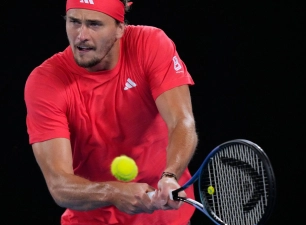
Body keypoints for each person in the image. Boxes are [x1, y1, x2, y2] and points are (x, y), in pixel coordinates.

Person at [24, 0, 198, 224]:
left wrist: (170, 175)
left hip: (166, 218)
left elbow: (181, 121)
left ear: (120, 29)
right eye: (74, 22)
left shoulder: (150, 44)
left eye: (94, 24)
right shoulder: (46, 82)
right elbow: (59, 185)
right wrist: (113, 193)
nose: (81, 35)